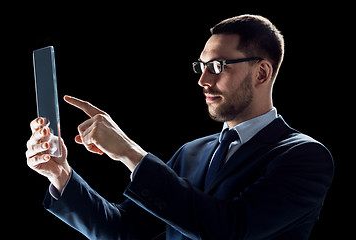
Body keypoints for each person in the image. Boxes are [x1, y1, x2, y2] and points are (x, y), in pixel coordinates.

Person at [25, 15, 334, 240]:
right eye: (201, 67)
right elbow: (125, 231)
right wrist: (61, 174)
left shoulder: (304, 156)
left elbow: (231, 231)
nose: (203, 81)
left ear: (262, 72)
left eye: (217, 67)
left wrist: (129, 152)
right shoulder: (193, 152)